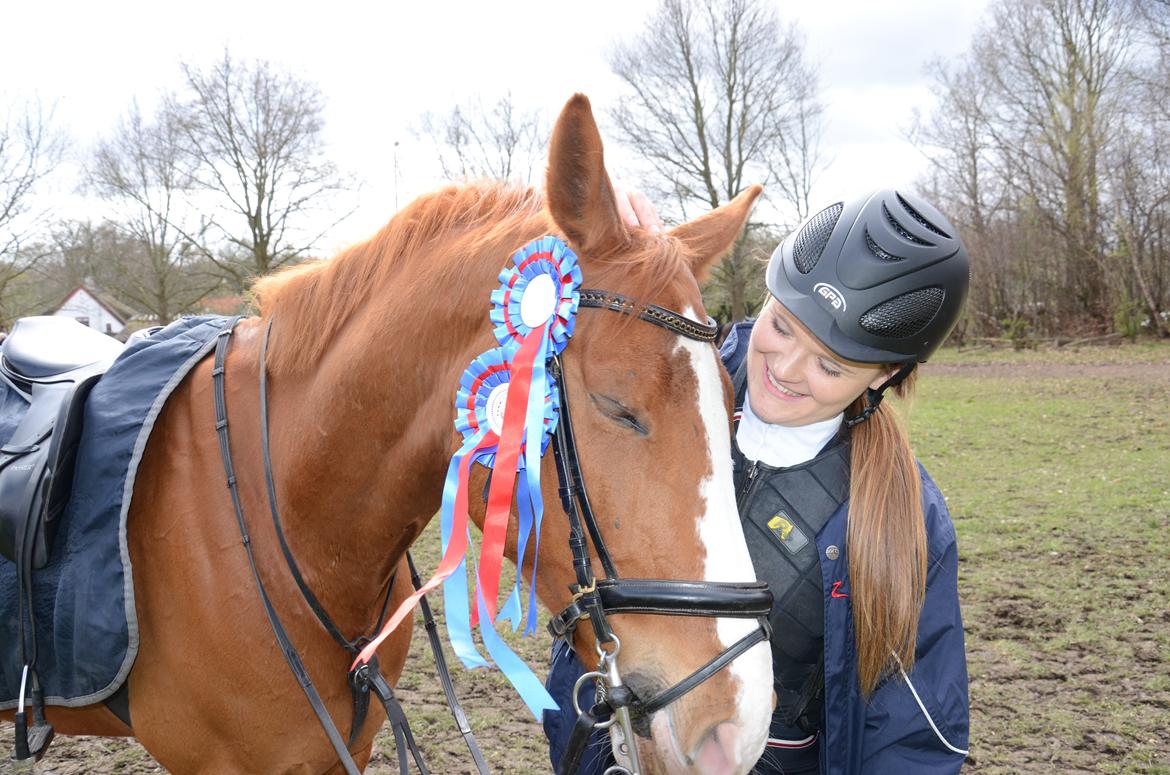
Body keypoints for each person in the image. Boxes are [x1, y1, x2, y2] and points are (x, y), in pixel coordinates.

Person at [543, 189, 971, 774]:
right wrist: (623, 265)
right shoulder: (668, 391)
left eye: (830, 365)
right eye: (783, 326)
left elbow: (912, 732)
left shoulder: (905, 515)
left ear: (885, 375)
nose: (786, 369)